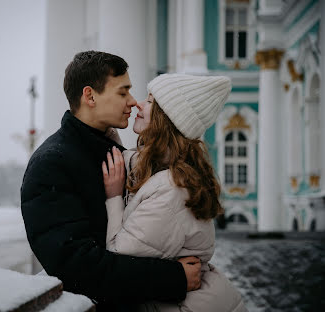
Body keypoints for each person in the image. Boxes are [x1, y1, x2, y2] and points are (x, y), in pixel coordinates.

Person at [21, 51, 202, 311]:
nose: (133, 102)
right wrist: (173, 277)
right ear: (90, 96)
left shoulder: (112, 152)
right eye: (122, 92)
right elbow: (78, 267)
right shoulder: (51, 164)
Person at [102, 74, 247, 312]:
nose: (138, 103)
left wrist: (113, 196)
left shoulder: (172, 188)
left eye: (150, 101)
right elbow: (129, 162)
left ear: (167, 120)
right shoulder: (161, 167)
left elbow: (118, 256)